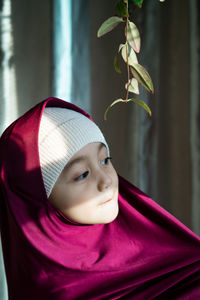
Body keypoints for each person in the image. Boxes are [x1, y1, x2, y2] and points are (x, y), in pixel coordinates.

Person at [0, 97, 199, 300]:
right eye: (82, 175)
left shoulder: (174, 259)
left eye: (105, 160)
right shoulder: (48, 289)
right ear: (38, 199)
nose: (106, 181)